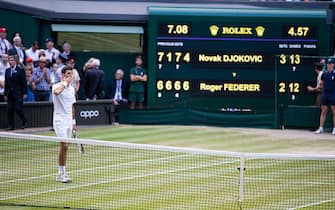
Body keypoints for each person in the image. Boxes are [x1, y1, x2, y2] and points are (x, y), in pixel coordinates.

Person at [52, 66, 76, 183]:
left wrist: (73, 121)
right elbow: (57, 93)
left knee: (65, 148)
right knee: (64, 145)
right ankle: (61, 174)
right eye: (67, 74)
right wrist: (65, 83)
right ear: (62, 75)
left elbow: (72, 106)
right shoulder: (56, 86)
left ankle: (62, 173)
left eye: (71, 75)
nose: (70, 77)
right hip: (59, 120)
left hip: (68, 120)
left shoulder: (72, 89)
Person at [4, 53, 27, 130]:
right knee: (9, 110)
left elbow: (24, 82)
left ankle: (24, 120)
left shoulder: (20, 70)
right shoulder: (7, 70)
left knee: (18, 108)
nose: (10, 61)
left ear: (15, 61)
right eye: (9, 60)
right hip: (10, 94)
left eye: (11, 60)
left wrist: (25, 93)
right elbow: (6, 83)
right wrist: (5, 94)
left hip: (18, 94)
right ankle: (11, 126)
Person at [315, 58, 335, 134]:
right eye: (328, 64)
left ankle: (334, 129)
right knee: (323, 111)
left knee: (334, 112)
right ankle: (321, 128)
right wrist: (317, 88)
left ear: (333, 65)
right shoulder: (324, 74)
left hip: (333, 94)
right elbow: (321, 84)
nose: (329, 65)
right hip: (325, 94)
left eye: (330, 64)